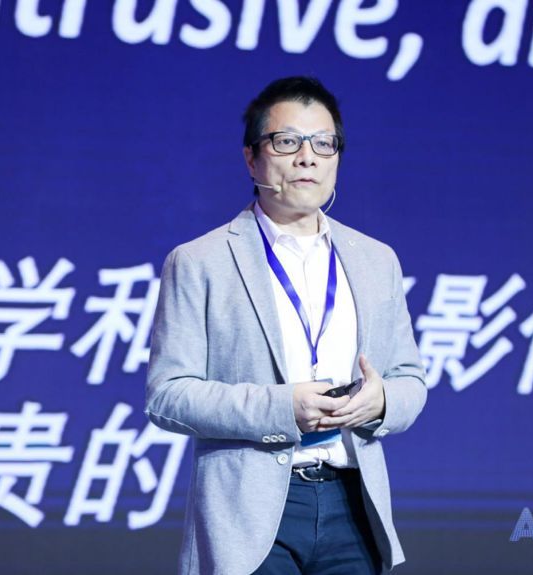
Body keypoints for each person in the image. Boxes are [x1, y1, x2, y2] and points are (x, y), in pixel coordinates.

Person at [145, 76, 427, 575]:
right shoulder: (201, 261)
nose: (307, 158)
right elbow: (168, 396)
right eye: (286, 142)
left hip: (353, 503)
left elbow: (410, 379)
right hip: (249, 513)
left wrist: (381, 401)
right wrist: (283, 408)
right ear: (251, 159)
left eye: (323, 144)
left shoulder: (375, 259)